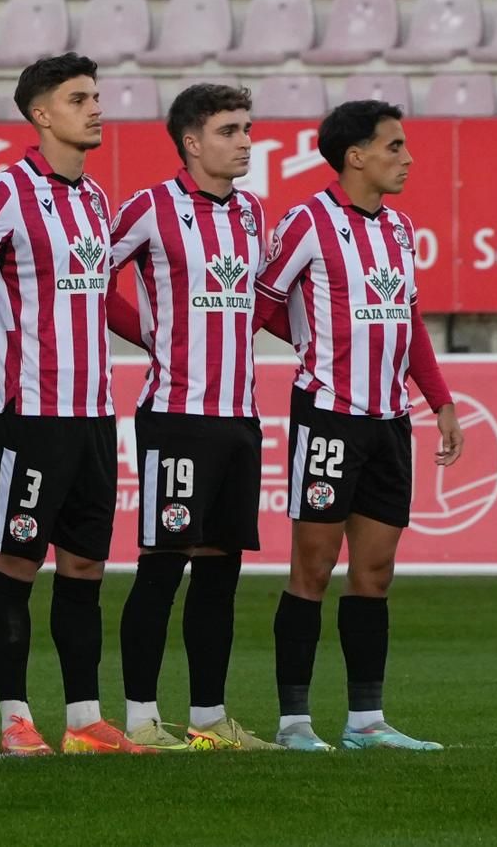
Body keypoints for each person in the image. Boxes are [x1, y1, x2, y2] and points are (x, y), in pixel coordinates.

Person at [256, 101, 463, 753]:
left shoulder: (399, 229)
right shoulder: (306, 223)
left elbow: (410, 320)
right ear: (356, 156)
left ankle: (366, 722)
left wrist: (441, 400)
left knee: (375, 573)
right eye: (395, 146)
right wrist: (316, 340)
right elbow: (259, 303)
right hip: (328, 419)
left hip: (389, 423)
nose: (407, 158)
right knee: (312, 569)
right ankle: (294, 723)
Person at [0, 54, 146, 757]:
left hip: (94, 416)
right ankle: (15, 717)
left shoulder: (94, 201)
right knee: (18, 563)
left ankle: (84, 718)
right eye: (80, 98)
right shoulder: (6, 192)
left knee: (84, 569)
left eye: (97, 96)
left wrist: (160, 338)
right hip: (32, 415)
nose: (97, 108)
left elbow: (101, 295)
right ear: (41, 115)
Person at [110, 83, 274, 751]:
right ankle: (142, 717)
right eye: (231, 130)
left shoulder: (254, 214)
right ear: (192, 141)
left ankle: (209, 717)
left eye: (248, 128)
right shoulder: (149, 208)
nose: (245, 142)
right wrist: (152, 333)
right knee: (162, 563)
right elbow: (90, 282)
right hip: (176, 414)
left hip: (240, 414)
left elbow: (257, 304)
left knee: (221, 569)